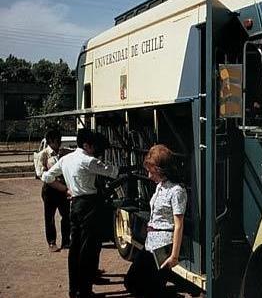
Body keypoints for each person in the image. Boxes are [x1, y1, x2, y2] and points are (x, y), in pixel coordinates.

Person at [42, 128, 123, 298]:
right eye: (93, 147)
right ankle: (85, 291)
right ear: (86, 145)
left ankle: (74, 289)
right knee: (88, 250)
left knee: (75, 249)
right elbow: (113, 172)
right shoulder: (88, 161)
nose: (95, 150)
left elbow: (47, 177)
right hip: (90, 206)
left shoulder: (66, 159)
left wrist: (66, 189)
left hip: (75, 205)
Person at [125, 144, 187, 298]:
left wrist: (174, 256)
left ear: (161, 171)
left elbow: (178, 225)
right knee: (132, 282)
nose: (149, 176)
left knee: (149, 289)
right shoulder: (160, 186)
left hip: (162, 247)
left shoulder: (177, 191)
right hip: (150, 243)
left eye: (152, 172)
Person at [36, 128, 70, 252]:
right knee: (49, 217)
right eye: (57, 140)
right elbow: (41, 174)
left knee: (66, 215)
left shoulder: (63, 153)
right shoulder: (43, 155)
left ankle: (66, 240)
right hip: (50, 190)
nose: (59, 143)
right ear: (50, 141)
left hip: (62, 189)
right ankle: (52, 242)